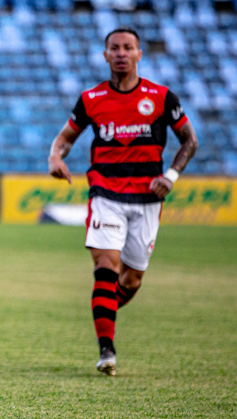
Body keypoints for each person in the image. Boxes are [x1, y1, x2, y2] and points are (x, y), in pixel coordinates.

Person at [48, 27, 198, 376]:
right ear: (105, 55)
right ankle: (107, 350)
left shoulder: (161, 98)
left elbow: (189, 141)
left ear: (139, 54)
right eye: (114, 48)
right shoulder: (92, 99)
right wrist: (55, 156)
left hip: (147, 197)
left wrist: (171, 176)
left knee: (131, 280)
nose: (120, 53)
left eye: (128, 48)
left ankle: (105, 313)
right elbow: (66, 137)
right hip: (106, 193)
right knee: (106, 264)